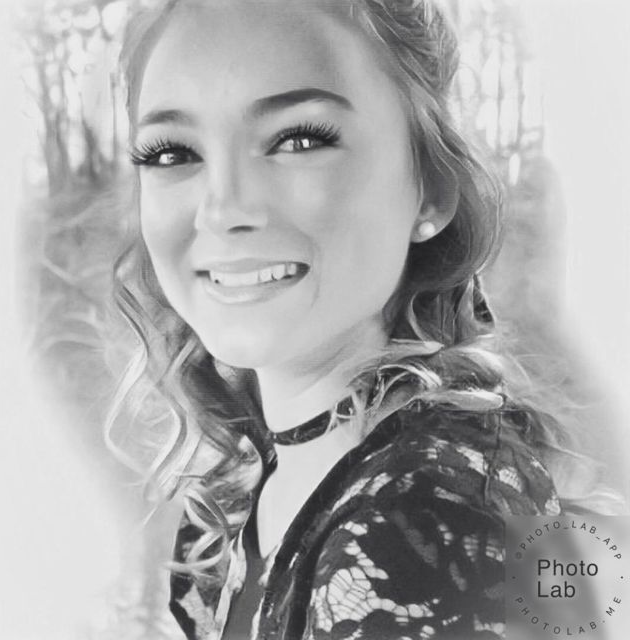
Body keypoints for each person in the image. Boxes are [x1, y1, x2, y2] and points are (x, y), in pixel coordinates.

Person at [108, 0, 598, 638]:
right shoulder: (233, 501)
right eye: (173, 153)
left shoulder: (427, 520)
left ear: (432, 189)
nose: (222, 209)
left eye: (299, 140)